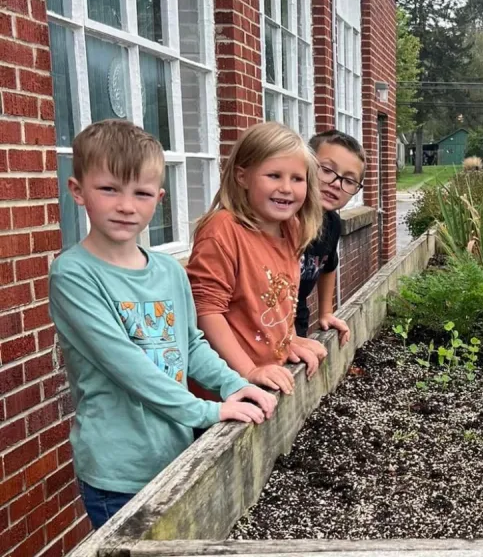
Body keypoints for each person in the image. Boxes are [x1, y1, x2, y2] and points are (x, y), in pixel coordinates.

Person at [48, 120, 276, 529]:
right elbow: (129, 368)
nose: (126, 205)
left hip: (175, 453)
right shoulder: (74, 275)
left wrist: (234, 383)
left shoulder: (169, 270)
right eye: (109, 189)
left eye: (141, 193)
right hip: (118, 469)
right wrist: (208, 411)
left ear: (159, 198)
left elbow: (191, 346)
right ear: (77, 191)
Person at [187, 122, 327, 396]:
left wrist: (289, 341)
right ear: (242, 177)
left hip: (270, 380)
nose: (287, 188)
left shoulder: (290, 228)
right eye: (274, 175)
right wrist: (248, 370)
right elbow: (206, 312)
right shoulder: (223, 230)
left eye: (297, 179)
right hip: (227, 390)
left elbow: (267, 309)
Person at [294, 130, 365, 344]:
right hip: (260, 329)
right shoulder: (282, 218)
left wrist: (325, 312)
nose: (336, 183)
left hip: (297, 319)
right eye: (326, 170)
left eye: (349, 180)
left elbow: (329, 265)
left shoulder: (332, 223)